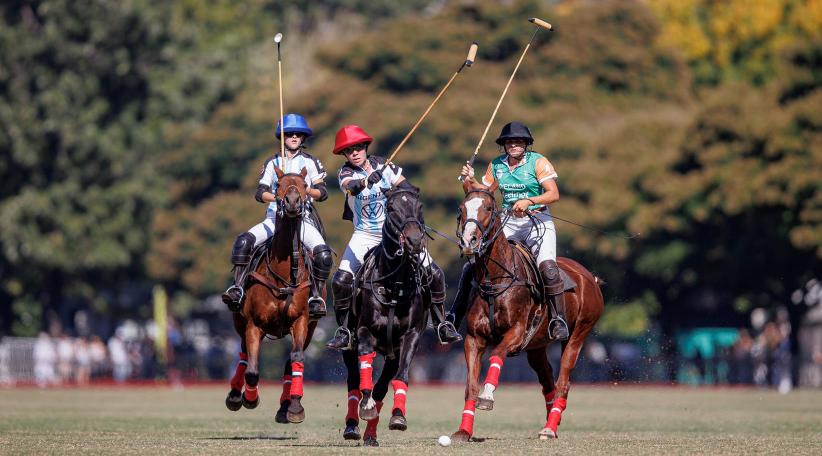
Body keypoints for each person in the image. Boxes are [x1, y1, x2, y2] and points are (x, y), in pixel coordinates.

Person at [325, 125, 461, 350]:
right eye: (349, 151)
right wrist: (368, 181)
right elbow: (352, 188)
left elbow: (408, 188)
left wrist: (396, 192)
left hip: (394, 235)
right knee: (340, 281)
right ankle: (345, 330)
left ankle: (441, 324)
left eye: (358, 148)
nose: (355, 153)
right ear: (344, 155)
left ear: (366, 147)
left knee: (435, 273)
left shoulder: (384, 165)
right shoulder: (345, 173)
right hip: (365, 235)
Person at [453, 121, 569, 340]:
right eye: (509, 142)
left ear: (526, 143)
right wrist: (470, 180)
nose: (514, 145)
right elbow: (484, 192)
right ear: (504, 145)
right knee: (473, 264)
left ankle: (558, 319)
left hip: (537, 221)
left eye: (518, 141)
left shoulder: (538, 161)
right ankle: (453, 317)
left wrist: (529, 201)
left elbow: (553, 194)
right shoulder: (497, 165)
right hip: (508, 221)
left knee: (548, 268)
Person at [221, 113, 333, 319]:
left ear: (303, 137)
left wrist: (304, 192)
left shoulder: (310, 162)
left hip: (303, 221)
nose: (294, 137)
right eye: (289, 134)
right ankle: (237, 288)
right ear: (282, 137)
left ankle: (316, 298)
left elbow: (323, 192)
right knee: (243, 242)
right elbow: (260, 193)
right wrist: (279, 198)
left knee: (324, 255)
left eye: (298, 134)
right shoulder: (273, 162)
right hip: (275, 219)